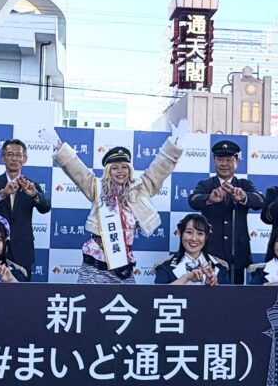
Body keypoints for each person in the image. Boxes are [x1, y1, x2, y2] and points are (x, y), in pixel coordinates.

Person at [39, 120, 187, 284]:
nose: (120, 171)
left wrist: (174, 145)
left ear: (129, 169)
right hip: (94, 264)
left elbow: (159, 169)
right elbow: (76, 169)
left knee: (125, 306)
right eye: (115, 167)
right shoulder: (96, 188)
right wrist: (59, 146)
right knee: (88, 305)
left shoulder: (140, 189)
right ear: (108, 171)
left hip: (123, 264)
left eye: (124, 167)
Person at [189, 140, 263, 284]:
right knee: (212, 294)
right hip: (212, 250)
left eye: (229, 160)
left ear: (237, 162)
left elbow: (260, 201)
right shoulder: (206, 184)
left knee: (237, 297)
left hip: (239, 252)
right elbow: (193, 200)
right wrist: (209, 198)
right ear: (214, 161)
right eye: (220, 159)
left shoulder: (244, 184)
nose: (224, 164)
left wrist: (244, 197)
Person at [0, 139, 50, 274]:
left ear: (24, 159)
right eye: (10, 154)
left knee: (22, 292)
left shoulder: (31, 185)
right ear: (3, 158)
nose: (14, 158)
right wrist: (3, 193)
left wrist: (34, 195)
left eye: (18, 155)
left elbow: (45, 208)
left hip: (23, 248)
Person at [152, 214, 229, 285]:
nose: (194, 238)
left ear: (206, 237)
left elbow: (229, 298)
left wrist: (214, 284)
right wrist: (186, 278)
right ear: (180, 233)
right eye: (189, 232)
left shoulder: (220, 267)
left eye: (200, 233)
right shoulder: (165, 267)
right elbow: (159, 295)